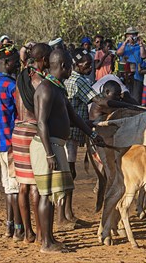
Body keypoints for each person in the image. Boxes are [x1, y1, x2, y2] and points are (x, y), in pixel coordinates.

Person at [32, 49, 105, 253]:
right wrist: (49, 153)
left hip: (55, 145)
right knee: (47, 195)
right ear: (63, 66)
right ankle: (47, 243)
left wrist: (91, 134)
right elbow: (41, 123)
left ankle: (49, 238)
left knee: (54, 194)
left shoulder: (57, 88)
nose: (71, 70)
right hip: (47, 147)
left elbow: (73, 117)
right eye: (70, 66)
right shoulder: (47, 89)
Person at [63, 48, 109, 228]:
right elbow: (99, 100)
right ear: (76, 64)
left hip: (69, 130)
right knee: (69, 173)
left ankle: (68, 213)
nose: (90, 67)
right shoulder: (79, 80)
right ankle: (65, 215)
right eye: (87, 64)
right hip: (72, 132)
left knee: (70, 172)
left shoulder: (70, 78)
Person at [13, 43, 52, 244]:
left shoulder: (21, 77)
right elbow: (43, 115)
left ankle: (28, 233)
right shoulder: (40, 81)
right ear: (44, 60)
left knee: (22, 187)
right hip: (33, 131)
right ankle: (41, 233)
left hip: (18, 130)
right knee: (37, 186)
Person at [0, 44, 24, 240]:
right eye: (16, 62)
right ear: (7, 62)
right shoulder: (11, 86)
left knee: (8, 186)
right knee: (15, 187)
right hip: (11, 141)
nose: (18, 64)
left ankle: (10, 227)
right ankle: (18, 228)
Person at [116, 27, 146, 104]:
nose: (132, 37)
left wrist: (141, 44)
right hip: (124, 76)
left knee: (136, 99)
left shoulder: (139, 46)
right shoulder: (121, 45)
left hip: (137, 76)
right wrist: (125, 43)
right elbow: (118, 53)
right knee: (124, 98)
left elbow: (143, 56)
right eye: (130, 35)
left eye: (134, 35)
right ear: (126, 36)